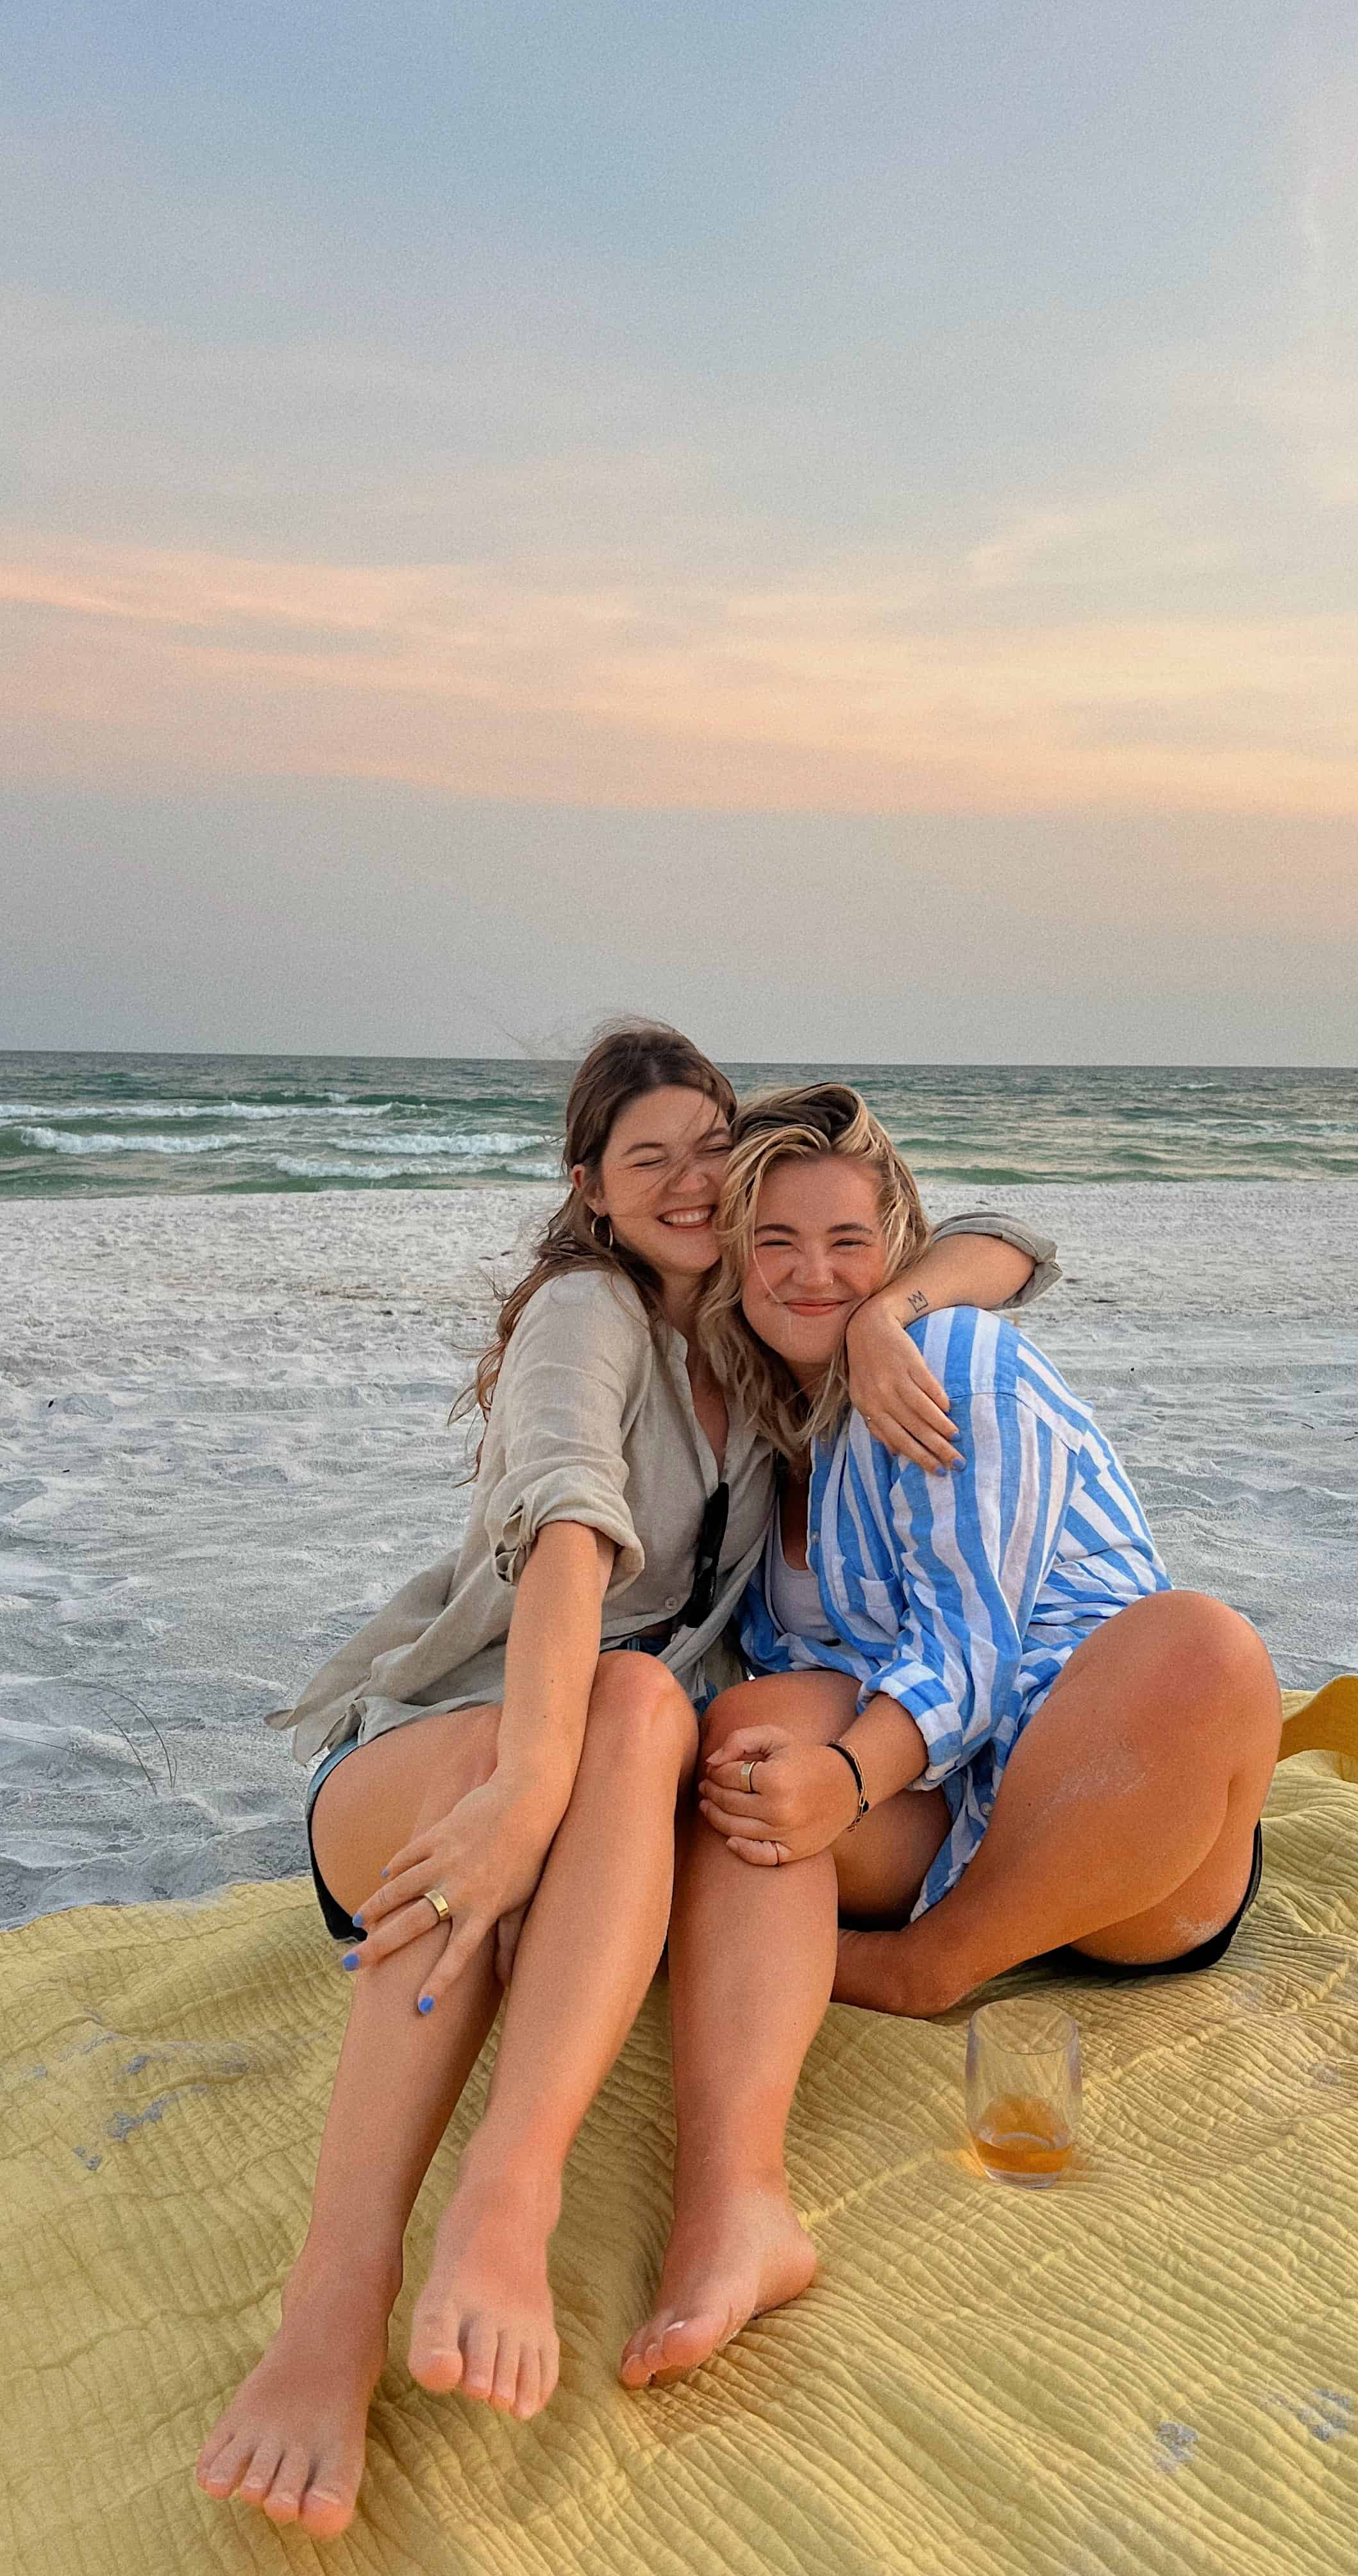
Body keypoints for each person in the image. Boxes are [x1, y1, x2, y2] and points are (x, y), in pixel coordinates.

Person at [195, 1026, 1050, 2538]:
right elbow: (570, 1534)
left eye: (707, 1147)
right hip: (437, 1760)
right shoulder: (584, 1316)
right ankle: (349, 2303)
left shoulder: (756, 1346)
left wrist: (880, 1321)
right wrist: (528, 1786)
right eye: (642, 1155)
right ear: (589, 1191)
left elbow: (1011, 1248)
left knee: (653, 1706)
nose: (686, 1179)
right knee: (636, 1693)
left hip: (600, 1771)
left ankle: (517, 2195)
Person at [618, 1083, 1281, 2392]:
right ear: (736, 1260)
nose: (813, 1273)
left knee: (1206, 1645)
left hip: (1111, 1812)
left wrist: (853, 1771)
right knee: (746, 1743)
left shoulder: (952, 1357)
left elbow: (973, 1648)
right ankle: (734, 2207)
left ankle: (928, 1971)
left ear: (897, 1248)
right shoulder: (767, 1434)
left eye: (849, 1243)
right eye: (778, 1244)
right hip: (947, 1804)